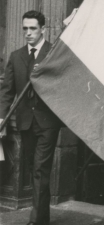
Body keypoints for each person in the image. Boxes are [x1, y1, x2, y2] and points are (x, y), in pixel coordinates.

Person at [0, 11, 61, 225]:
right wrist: (1, 118)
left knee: (40, 169)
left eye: (33, 28)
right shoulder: (16, 56)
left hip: (47, 123)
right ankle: (41, 218)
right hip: (25, 122)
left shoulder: (54, 52)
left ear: (42, 29)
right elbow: (7, 90)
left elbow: (62, 88)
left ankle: (36, 221)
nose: (28, 33)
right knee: (33, 170)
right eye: (25, 28)